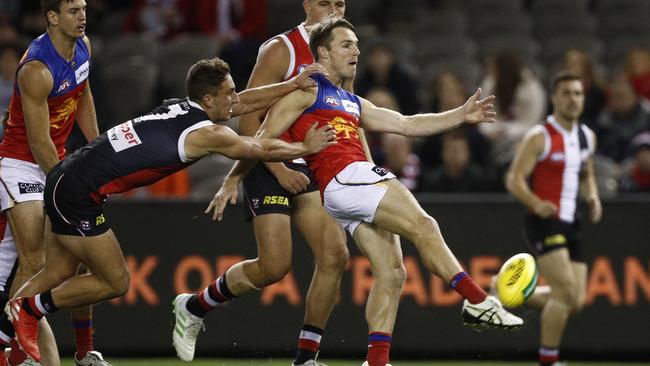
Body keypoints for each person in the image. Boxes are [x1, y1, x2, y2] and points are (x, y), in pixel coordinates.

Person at [210, 17, 523, 366]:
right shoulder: (306, 91)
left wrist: (460, 115)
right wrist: (234, 178)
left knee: (392, 272)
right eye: (346, 44)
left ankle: (376, 361)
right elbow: (261, 140)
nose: (356, 50)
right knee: (424, 225)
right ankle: (478, 302)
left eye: (357, 44)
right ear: (323, 52)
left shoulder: (353, 102)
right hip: (345, 176)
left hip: (347, 188)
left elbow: (406, 124)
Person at [4, 57, 336, 363]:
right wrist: (303, 147)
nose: (236, 99)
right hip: (76, 192)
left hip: (69, 178)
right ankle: (29, 310)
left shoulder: (181, 108)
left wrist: (292, 85)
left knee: (56, 272)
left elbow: (245, 101)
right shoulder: (205, 133)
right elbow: (256, 146)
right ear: (209, 101)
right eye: (229, 93)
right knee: (115, 281)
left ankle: (9, 336)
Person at [172, 2, 363, 365]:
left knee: (335, 256)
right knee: (275, 267)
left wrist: (361, 168)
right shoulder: (282, 48)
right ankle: (194, 306)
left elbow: (349, 112)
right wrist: (275, 170)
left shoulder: (342, 48)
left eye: (340, 2)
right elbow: (244, 118)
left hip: (309, 164)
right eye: (326, 2)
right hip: (269, 162)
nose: (334, 9)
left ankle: (305, 358)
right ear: (307, 4)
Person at [0, 1, 109, 365]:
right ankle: (16, 355)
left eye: (84, 8)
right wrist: (68, 182)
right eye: (73, 10)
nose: (82, 16)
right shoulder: (36, 68)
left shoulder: (84, 47)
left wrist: (100, 155)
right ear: (51, 17)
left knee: (82, 253)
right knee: (35, 261)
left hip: (58, 161)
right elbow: (38, 141)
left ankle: (84, 353)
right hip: (21, 165)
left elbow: (83, 97)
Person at [505, 72, 602, 366]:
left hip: (571, 222)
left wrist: (593, 196)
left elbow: (585, 172)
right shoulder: (540, 136)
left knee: (575, 301)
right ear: (555, 98)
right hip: (544, 221)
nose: (573, 99)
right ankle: (549, 359)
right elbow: (514, 179)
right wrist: (536, 203)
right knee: (565, 291)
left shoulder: (587, 136)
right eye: (567, 93)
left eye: (578, 94)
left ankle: (508, 288)